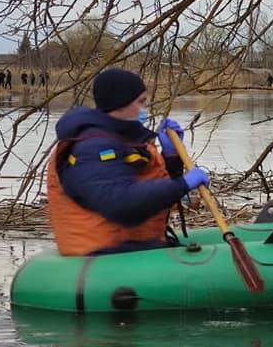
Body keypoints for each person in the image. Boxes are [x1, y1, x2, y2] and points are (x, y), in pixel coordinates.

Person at [46, 67, 210, 256]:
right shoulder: (93, 148)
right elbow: (122, 205)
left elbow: (150, 192)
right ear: (120, 103)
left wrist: (171, 158)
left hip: (129, 246)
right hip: (103, 253)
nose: (145, 109)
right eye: (141, 102)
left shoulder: (120, 139)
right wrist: (182, 184)